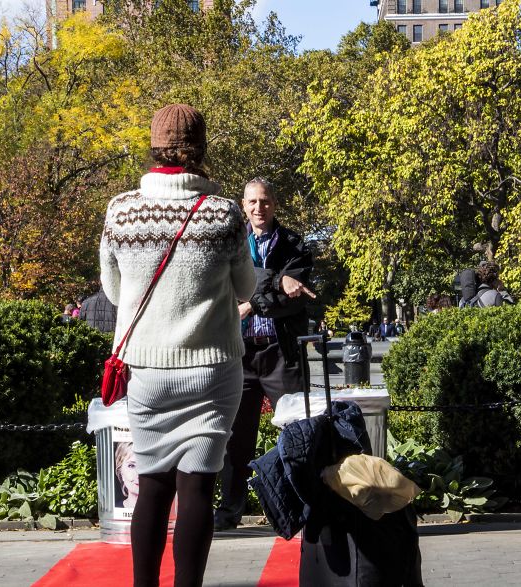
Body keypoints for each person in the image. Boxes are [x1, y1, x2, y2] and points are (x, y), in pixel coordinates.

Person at [99, 103, 256, 587]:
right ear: (200, 149)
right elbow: (246, 288)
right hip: (212, 370)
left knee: (152, 486)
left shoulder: (122, 211)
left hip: (147, 369)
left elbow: (113, 289)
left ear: (153, 147)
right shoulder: (224, 213)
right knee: (198, 489)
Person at [214, 177, 315, 533]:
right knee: (234, 440)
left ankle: (301, 508)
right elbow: (225, 284)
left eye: (266, 201)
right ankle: (229, 511)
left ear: (275, 204)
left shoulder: (295, 245)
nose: (260, 208)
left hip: (280, 353)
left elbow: (294, 300)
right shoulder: (229, 243)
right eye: (253, 202)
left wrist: (250, 301)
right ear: (243, 205)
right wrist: (276, 282)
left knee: (296, 434)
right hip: (238, 353)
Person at [115, 442, 140, 510]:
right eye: (131, 466)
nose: (138, 473)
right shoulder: (114, 511)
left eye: (144, 465)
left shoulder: (163, 511)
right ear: (121, 473)